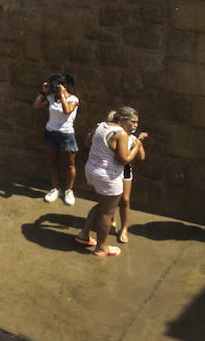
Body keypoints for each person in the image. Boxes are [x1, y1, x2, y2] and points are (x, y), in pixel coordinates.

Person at [74, 107, 143, 257]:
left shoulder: (101, 125)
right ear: (122, 119)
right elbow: (123, 159)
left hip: (92, 171)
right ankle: (101, 247)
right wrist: (137, 146)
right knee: (107, 213)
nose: (135, 126)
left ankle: (84, 234)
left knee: (102, 206)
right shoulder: (122, 134)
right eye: (133, 122)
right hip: (108, 178)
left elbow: (88, 141)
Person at [34, 74, 80, 205]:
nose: (54, 88)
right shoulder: (50, 97)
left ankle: (69, 190)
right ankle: (55, 188)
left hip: (66, 135)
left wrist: (63, 95)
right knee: (52, 162)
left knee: (69, 164)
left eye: (56, 86)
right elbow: (36, 105)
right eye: (52, 85)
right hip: (51, 133)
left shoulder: (73, 99)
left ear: (64, 86)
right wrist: (44, 91)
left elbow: (67, 111)